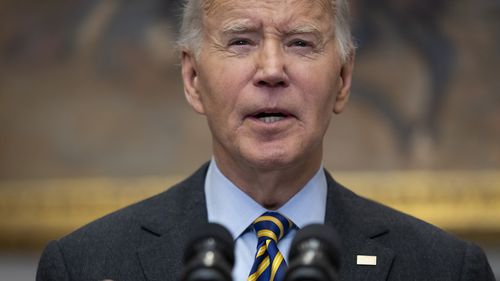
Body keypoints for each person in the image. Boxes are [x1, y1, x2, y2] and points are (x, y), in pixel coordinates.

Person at [36, 0, 495, 280]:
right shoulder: (86, 265)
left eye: (300, 42)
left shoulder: (443, 269)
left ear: (343, 78)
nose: (272, 70)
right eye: (240, 41)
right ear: (193, 78)